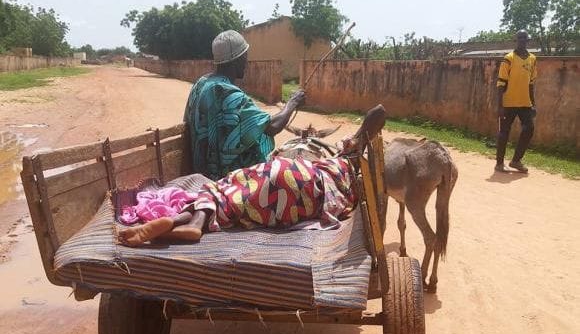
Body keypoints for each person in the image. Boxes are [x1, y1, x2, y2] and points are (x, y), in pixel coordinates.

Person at [118, 105, 387, 246]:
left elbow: (377, 113)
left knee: (224, 194)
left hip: (284, 172)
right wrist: (358, 139)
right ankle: (188, 225)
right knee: (236, 205)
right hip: (308, 199)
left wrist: (358, 136)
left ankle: (187, 220)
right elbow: (380, 112)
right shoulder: (345, 171)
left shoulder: (315, 160)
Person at [183, 30, 306, 180]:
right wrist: (293, 102)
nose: (246, 63)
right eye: (245, 57)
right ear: (237, 59)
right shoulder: (229, 94)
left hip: (200, 171)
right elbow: (272, 126)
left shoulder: (201, 83)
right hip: (226, 180)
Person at [495, 29, 537, 173]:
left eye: (524, 38)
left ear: (528, 40)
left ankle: (516, 160)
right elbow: (500, 84)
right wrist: (499, 106)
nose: (522, 40)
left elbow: (531, 83)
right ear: (516, 40)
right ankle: (499, 163)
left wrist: (533, 104)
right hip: (508, 103)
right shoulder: (509, 58)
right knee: (504, 132)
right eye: (519, 38)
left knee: (529, 129)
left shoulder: (532, 59)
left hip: (525, 103)